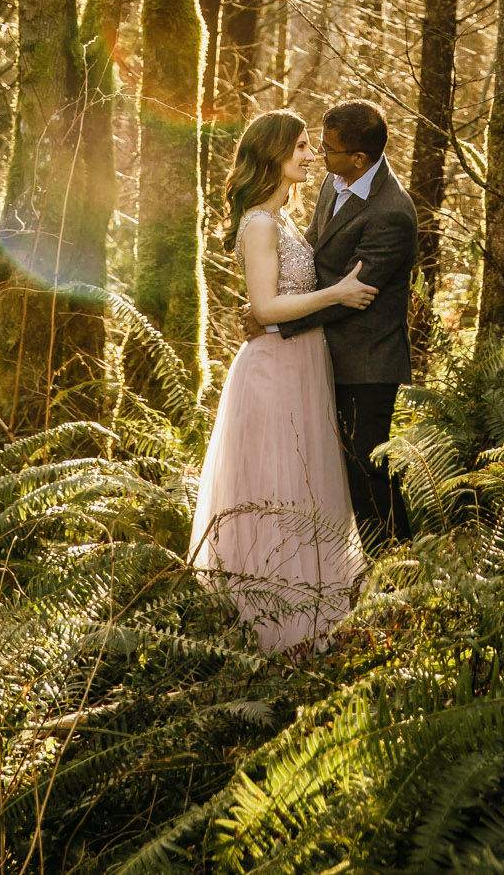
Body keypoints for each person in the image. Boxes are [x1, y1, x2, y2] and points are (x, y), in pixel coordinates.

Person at [191, 109, 373, 653]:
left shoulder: (285, 219)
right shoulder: (260, 223)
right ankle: (275, 628)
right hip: (274, 368)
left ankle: (317, 615)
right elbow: (265, 304)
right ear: (273, 154)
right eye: (299, 147)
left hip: (303, 361)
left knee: (307, 481)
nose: (310, 156)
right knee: (277, 484)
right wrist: (337, 294)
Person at [268, 99, 417, 546]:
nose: (319, 156)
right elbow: (317, 247)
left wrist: (276, 323)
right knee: (329, 469)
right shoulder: (338, 181)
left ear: (359, 158)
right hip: (322, 349)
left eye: (329, 149)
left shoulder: (392, 212)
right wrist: (277, 299)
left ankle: (398, 571)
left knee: (367, 474)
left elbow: (354, 296)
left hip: (368, 365)